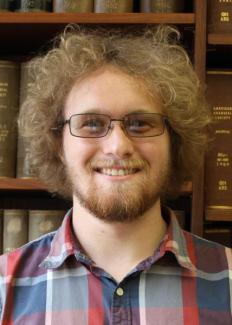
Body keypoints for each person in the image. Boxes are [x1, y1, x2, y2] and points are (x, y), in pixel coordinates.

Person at [0, 25, 231, 324]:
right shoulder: (4, 289)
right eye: (92, 124)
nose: (118, 146)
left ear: (174, 142)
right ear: (58, 144)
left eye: (140, 124)